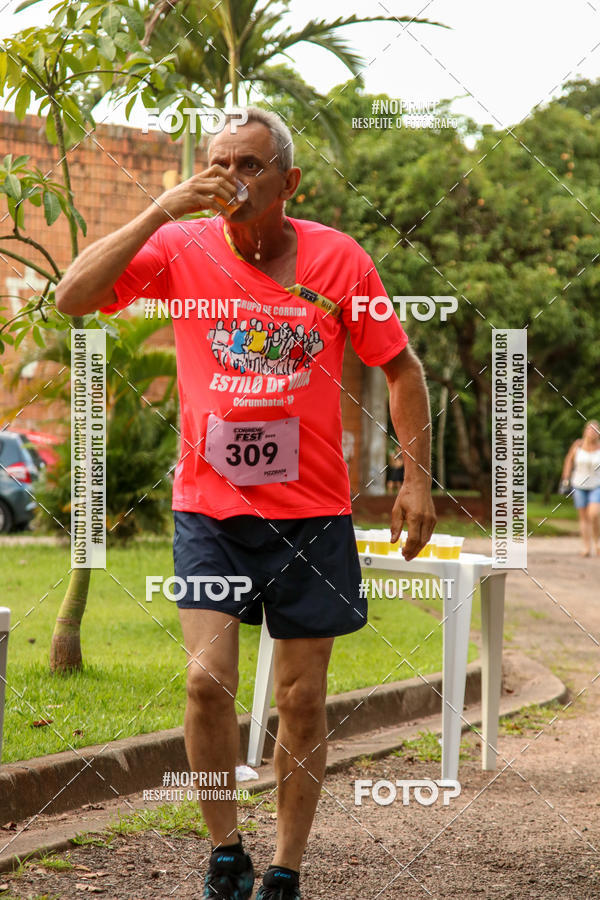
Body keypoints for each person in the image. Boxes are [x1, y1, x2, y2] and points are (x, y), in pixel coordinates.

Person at [55, 106, 436, 900]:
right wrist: (159, 208)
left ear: (288, 182)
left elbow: (401, 368)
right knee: (205, 682)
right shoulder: (178, 246)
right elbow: (72, 298)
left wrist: (416, 478)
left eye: (252, 165)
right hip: (210, 508)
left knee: (301, 700)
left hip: (312, 513)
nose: (233, 177)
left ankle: (288, 866)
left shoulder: (339, 261)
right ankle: (226, 849)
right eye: (221, 161)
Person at [560, 419, 600, 557]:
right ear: (585, 431)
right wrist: (565, 478)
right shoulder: (578, 445)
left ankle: (597, 542)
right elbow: (568, 461)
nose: (592, 433)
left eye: (595, 430)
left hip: (596, 485)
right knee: (583, 517)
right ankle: (586, 547)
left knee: (594, 514)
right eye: (590, 429)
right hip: (579, 484)